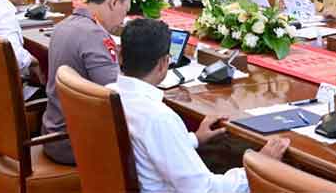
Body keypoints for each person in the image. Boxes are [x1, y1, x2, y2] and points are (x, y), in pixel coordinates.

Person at [109, 18, 290, 193]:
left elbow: (148, 146)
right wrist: (257, 167)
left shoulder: (106, 93)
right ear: (164, 63)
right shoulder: (158, 117)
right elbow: (204, 189)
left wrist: (193, 138)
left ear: (120, 56)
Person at [42, 0, 131, 164]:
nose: (122, 21)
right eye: (125, 12)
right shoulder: (95, 35)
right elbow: (117, 98)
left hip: (53, 132)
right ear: (114, 2)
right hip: (77, 143)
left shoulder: (63, 25)